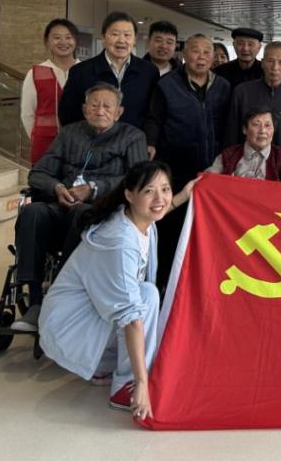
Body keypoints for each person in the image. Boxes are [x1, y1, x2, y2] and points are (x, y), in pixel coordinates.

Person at [39, 161, 193, 418]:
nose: (160, 199)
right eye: (149, 191)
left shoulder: (135, 217)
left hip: (84, 320)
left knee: (143, 298)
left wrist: (185, 194)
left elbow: (159, 210)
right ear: (129, 194)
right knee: (147, 296)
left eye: (165, 189)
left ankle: (104, 367)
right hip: (70, 329)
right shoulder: (120, 241)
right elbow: (131, 318)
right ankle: (125, 386)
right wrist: (142, 382)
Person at [12, 83, 148, 333]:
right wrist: (56, 188)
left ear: (119, 112)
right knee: (33, 212)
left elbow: (137, 179)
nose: (100, 111)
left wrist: (94, 188)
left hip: (102, 211)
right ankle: (34, 299)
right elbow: (37, 173)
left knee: (82, 212)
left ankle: (60, 291)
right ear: (85, 109)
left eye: (107, 106)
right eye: (94, 105)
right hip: (61, 204)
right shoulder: (69, 134)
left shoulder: (132, 137)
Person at [143, 34, 230, 288]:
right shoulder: (167, 85)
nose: (201, 57)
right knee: (171, 229)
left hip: (212, 171)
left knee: (206, 233)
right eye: (195, 51)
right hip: (175, 169)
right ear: (184, 54)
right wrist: (150, 143)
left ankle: (199, 286)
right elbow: (154, 119)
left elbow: (230, 124)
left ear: (213, 57)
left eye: (206, 52)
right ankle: (163, 287)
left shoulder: (224, 87)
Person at [58, 12, 158, 129]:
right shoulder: (80, 72)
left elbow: (153, 115)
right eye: (115, 34)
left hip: (135, 139)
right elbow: (68, 115)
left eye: (127, 35)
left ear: (134, 39)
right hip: (92, 139)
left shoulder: (149, 72)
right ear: (103, 37)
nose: (121, 40)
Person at [225, 41, 281, 157]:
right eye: (270, 61)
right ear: (262, 63)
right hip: (245, 160)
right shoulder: (242, 92)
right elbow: (232, 133)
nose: (275, 67)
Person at [21, 18, 79, 164]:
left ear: (76, 40)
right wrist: (37, 137)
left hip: (80, 144)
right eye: (57, 37)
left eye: (68, 37)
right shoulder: (36, 73)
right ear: (47, 42)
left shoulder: (86, 70)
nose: (63, 42)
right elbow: (27, 114)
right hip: (45, 145)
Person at [208, 108, 281, 183]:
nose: (262, 131)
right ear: (244, 129)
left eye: (267, 125)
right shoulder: (228, 156)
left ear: (273, 130)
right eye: (256, 124)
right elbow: (206, 182)